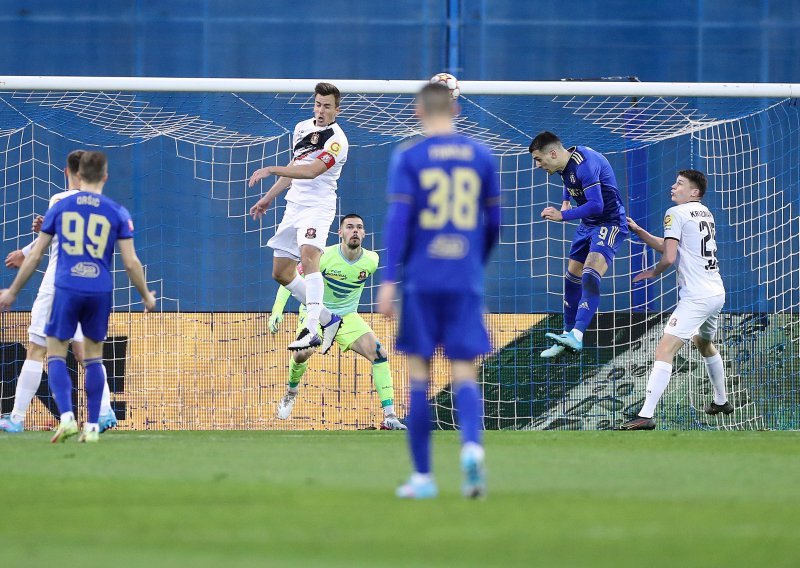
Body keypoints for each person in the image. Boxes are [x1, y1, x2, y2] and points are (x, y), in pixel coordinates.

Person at [377, 82, 501, 499]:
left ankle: (424, 478)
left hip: (422, 281)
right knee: (465, 372)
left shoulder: (409, 157)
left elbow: (398, 223)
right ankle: (470, 449)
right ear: (457, 108)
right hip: (464, 278)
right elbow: (494, 224)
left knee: (419, 376)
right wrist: (472, 264)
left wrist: (390, 279)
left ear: (417, 110)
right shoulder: (482, 156)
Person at [0, 151, 156, 443]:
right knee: (89, 356)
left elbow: (43, 247)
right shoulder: (115, 210)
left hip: (60, 286)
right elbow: (131, 261)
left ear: (72, 172)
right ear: (105, 177)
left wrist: (14, 284)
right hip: (98, 288)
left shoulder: (61, 203)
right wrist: (147, 296)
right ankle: (102, 416)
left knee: (42, 350)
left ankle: (28, 418)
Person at [618, 170, 732, 430]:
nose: (673, 186)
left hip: (696, 297)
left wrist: (653, 272)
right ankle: (721, 401)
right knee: (703, 342)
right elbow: (673, 246)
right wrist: (639, 231)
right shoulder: (705, 213)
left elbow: (669, 257)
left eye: (680, 184)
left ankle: (646, 415)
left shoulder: (675, 212)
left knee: (664, 350)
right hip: (716, 292)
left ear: (694, 192)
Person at [269, 213, 406, 430]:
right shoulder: (324, 256)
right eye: (349, 227)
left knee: (379, 354)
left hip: (347, 316)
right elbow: (291, 276)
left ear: (364, 233)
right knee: (301, 353)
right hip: (316, 311)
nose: (355, 231)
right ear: (340, 233)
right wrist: (278, 309)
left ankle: (390, 416)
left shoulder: (372, 260)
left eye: (359, 227)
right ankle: (291, 393)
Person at [249, 82, 349, 353]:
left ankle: (312, 328)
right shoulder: (302, 128)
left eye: (327, 106)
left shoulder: (337, 141)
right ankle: (330, 320)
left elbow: (312, 171)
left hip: (318, 206)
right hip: (294, 205)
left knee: (308, 256)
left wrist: (270, 168)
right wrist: (269, 196)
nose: (321, 110)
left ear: (336, 109)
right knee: (281, 272)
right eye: (318, 104)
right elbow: (296, 167)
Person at [529, 131, 628, 357]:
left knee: (589, 274)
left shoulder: (586, 164)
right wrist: (565, 199)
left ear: (552, 153)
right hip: (587, 225)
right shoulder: (564, 161)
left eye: (538, 159)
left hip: (609, 223)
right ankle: (566, 335)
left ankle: (578, 335)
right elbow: (568, 177)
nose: (537, 165)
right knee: (571, 278)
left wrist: (562, 215)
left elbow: (596, 205)